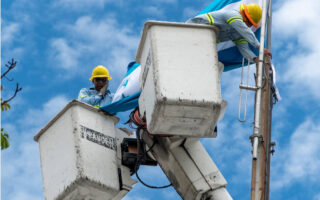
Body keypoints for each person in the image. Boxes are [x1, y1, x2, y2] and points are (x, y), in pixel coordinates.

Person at [186, 3, 272, 63]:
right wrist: (259, 46)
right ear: (244, 15)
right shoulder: (233, 15)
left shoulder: (238, 34)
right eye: (249, 23)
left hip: (203, 39)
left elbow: (244, 49)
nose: (249, 26)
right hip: (195, 27)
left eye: (251, 25)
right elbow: (245, 31)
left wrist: (255, 59)